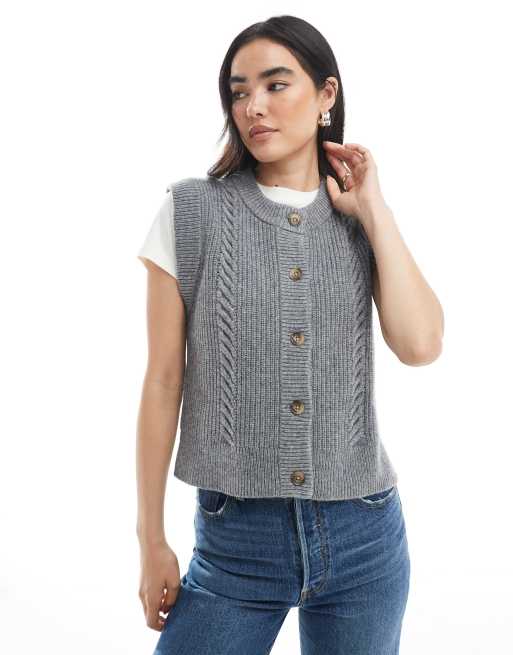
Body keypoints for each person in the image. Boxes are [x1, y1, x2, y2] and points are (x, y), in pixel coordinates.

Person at [136, 15, 444, 655]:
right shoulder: (190, 210)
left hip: (365, 539)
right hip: (235, 543)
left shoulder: (361, 220)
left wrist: (374, 209)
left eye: (276, 85)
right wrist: (151, 539)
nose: (254, 107)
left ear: (326, 94)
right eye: (239, 91)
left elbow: (421, 346)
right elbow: (163, 381)